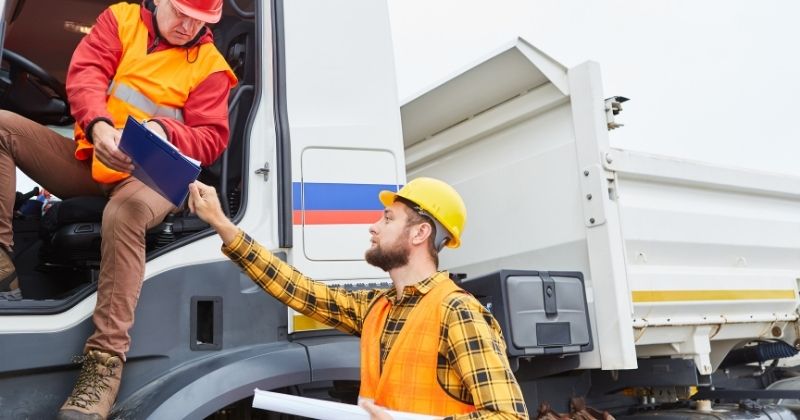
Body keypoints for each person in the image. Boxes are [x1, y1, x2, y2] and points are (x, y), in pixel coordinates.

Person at [0, 0, 236, 418]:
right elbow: (87, 73)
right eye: (181, 12)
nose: (188, 26)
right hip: (98, 157)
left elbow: (211, 138)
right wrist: (99, 125)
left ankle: (103, 368)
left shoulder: (212, 67)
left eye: (200, 20)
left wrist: (167, 131)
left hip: (153, 177)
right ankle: (3, 269)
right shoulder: (120, 19)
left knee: (123, 215)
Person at [188, 178, 530, 419]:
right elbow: (300, 290)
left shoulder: (458, 312)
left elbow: (508, 415)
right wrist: (222, 223)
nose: (374, 226)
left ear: (420, 232)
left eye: (388, 218)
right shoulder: (377, 308)